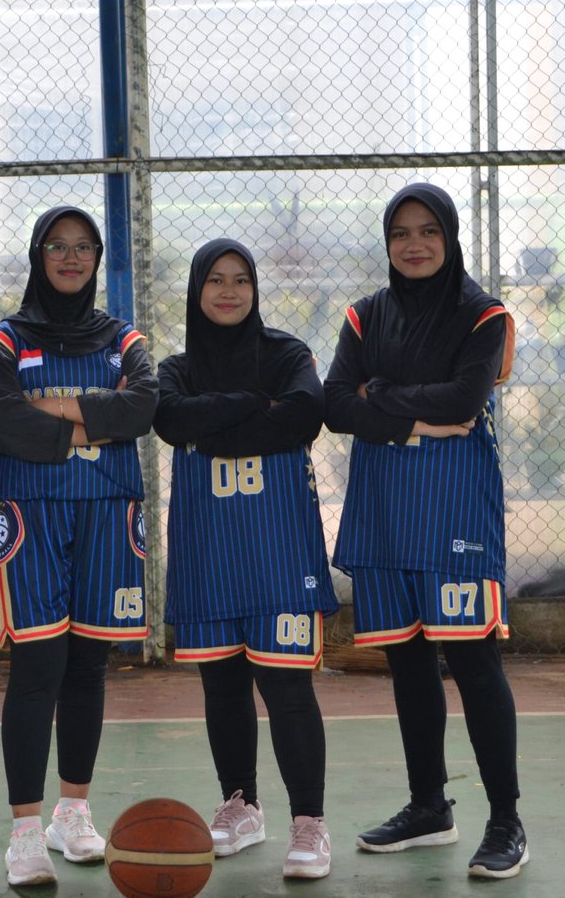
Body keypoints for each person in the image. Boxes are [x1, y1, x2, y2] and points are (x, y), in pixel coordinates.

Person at [324, 182, 527, 880]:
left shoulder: (483, 315)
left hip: (454, 507)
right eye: (400, 233)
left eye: (428, 231)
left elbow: (465, 398)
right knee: (407, 661)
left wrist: (378, 395)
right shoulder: (365, 315)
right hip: (385, 506)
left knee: (473, 661)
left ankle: (506, 819)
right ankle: (428, 807)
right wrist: (416, 415)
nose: (413, 245)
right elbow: (333, 404)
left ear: (450, 236)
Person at [0, 205, 158, 887]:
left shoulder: (123, 337)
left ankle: (72, 813)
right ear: (38, 255)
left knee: (87, 665)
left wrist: (49, 410)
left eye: (84, 246)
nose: (71, 257)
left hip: (108, 506)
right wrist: (93, 422)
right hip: (31, 510)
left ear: (97, 258)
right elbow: (4, 422)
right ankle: (25, 831)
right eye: (57, 245)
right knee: (38, 665)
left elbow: (142, 407)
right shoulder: (4, 339)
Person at [153, 239, 339, 881]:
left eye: (241, 280)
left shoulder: (286, 353)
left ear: (255, 289)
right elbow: (170, 420)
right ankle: (242, 805)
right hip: (209, 548)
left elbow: (305, 414)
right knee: (222, 684)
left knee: (287, 685)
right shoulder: (177, 367)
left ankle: (309, 822)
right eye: (216, 280)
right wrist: (252, 404)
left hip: (278, 546)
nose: (229, 291)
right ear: (196, 290)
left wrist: (213, 428)